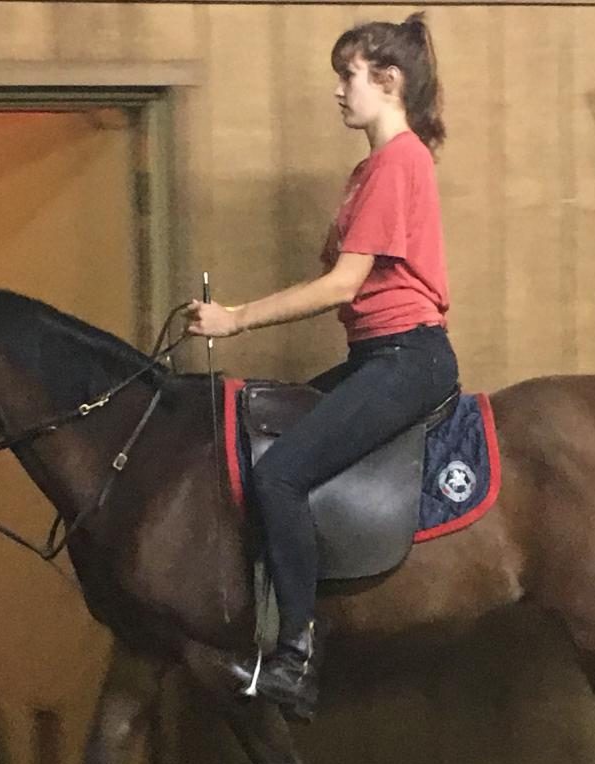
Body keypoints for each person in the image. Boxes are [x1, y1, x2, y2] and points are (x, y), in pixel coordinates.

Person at [185, 11, 459, 723]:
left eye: (348, 76)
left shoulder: (398, 162)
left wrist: (235, 318)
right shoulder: (372, 167)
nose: (338, 91)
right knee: (270, 441)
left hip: (407, 359)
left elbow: (341, 284)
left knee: (278, 474)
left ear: (388, 81)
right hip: (374, 354)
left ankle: (297, 655)